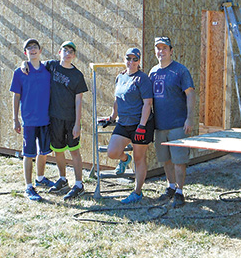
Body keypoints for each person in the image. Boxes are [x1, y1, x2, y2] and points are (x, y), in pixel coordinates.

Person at [22, 41, 88, 200]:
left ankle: (79, 184)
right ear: (59, 52)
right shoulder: (51, 66)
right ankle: (63, 179)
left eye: (71, 51)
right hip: (55, 118)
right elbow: (35, 62)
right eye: (65, 50)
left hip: (70, 120)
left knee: (74, 151)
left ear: (74, 55)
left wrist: (77, 123)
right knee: (58, 150)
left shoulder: (77, 75)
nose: (68, 53)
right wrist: (23, 62)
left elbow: (79, 101)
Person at [99, 47, 154, 204]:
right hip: (124, 122)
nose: (131, 62)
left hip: (140, 124)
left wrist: (142, 126)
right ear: (125, 60)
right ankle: (124, 159)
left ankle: (137, 192)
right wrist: (112, 117)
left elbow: (147, 103)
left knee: (139, 158)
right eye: (128, 59)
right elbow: (117, 100)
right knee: (112, 152)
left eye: (134, 59)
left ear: (139, 61)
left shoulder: (142, 79)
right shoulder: (120, 77)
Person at [149, 36, 196, 208]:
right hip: (160, 125)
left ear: (171, 50)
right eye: (158, 48)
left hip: (178, 124)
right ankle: (170, 187)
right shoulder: (153, 72)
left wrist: (190, 118)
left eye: (164, 48)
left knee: (178, 161)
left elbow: (190, 94)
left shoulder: (180, 71)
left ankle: (180, 191)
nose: (161, 52)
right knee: (166, 160)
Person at [10, 38, 54, 202]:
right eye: (29, 48)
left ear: (40, 51)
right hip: (28, 120)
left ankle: (40, 178)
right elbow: (16, 96)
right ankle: (29, 186)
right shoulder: (20, 72)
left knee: (43, 152)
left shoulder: (47, 70)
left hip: (45, 119)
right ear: (25, 52)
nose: (33, 50)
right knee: (29, 154)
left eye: (35, 47)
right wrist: (15, 119)